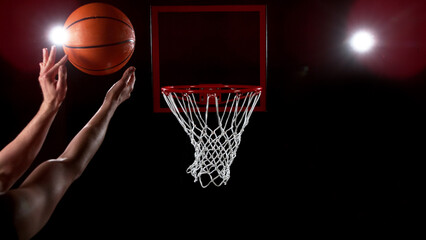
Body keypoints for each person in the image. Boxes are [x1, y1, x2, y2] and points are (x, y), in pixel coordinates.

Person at [0, 45, 136, 240]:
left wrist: (50, 105)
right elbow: (66, 166)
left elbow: (6, 171)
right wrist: (111, 102)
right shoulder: (10, 215)